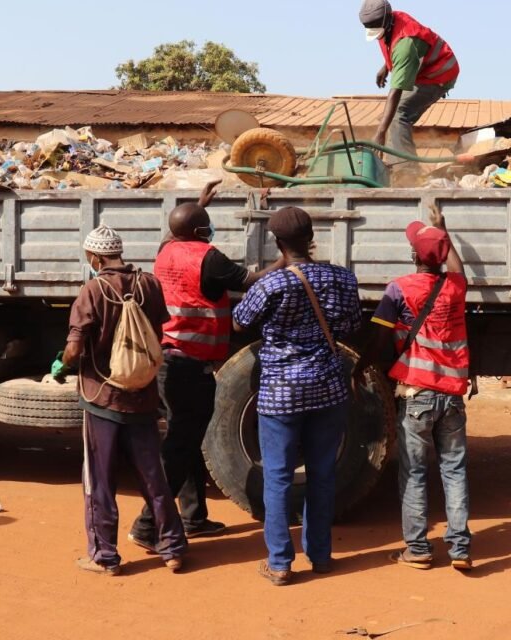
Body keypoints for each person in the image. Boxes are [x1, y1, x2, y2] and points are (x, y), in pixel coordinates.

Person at [129, 181, 285, 551]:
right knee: (181, 445)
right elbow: (251, 281)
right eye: (206, 224)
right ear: (200, 231)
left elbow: (175, 231)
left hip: (167, 361)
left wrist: (197, 204)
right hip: (190, 365)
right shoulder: (208, 257)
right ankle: (147, 525)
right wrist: (288, 259)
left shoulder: (165, 251)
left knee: (187, 438)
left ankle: (194, 517)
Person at [232, 207, 362, 586]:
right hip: (328, 389)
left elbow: (240, 321)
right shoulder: (343, 278)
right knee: (323, 474)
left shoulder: (272, 285)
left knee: (278, 477)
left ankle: (280, 563)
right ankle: (320, 556)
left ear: (277, 242)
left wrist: (276, 269)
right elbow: (352, 325)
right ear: (311, 237)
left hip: (281, 394)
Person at [62, 225, 186, 575]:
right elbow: (157, 331)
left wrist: (63, 361)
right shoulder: (149, 284)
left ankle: (105, 556)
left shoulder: (92, 290)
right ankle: (173, 548)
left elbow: (73, 348)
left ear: (95, 257)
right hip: (143, 396)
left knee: (100, 481)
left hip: (102, 397)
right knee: (153, 477)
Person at [354, 206, 471, 571]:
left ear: (414, 256)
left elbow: (379, 337)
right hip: (452, 395)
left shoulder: (399, 289)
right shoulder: (455, 287)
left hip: (416, 393)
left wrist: (360, 369)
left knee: (415, 473)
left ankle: (418, 549)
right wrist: (443, 231)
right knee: (454, 470)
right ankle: (460, 549)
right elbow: (458, 268)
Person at [359, 0, 459, 180]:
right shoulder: (390, 21)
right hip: (421, 69)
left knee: (398, 115)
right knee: (387, 118)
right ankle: (393, 165)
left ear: (386, 20)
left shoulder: (406, 42)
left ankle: (407, 172)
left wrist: (380, 133)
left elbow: (396, 90)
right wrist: (387, 66)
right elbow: (395, 47)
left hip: (438, 75)